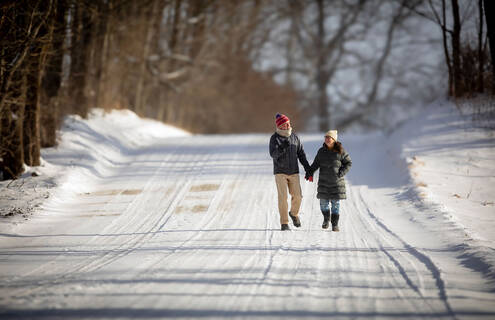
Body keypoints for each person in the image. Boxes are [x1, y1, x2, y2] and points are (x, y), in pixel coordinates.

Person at [269, 113, 311, 231]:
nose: (286, 126)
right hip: (280, 172)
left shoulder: (294, 137)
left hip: (294, 172)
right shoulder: (274, 138)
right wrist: (282, 147)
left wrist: (307, 168)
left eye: (287, 123)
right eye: (283, 125)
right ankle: (284, 223)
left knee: (298, 196)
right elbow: (273, 154)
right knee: (282, 198)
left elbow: (301, 154)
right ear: (279, 126)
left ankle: (294, 213)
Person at [306, 130, 352, 231]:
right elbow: (315, 164)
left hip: (337, 183)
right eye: (325, 137)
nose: (327, 139)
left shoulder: (341, 151)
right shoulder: (321, 151)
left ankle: (335, 224)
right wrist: (310, 172)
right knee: (323, 203)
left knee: (336, 204)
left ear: (334, 139)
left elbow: (348, 163)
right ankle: (326, 219)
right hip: (324, 182)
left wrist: (341, 173)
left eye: (329, 137)